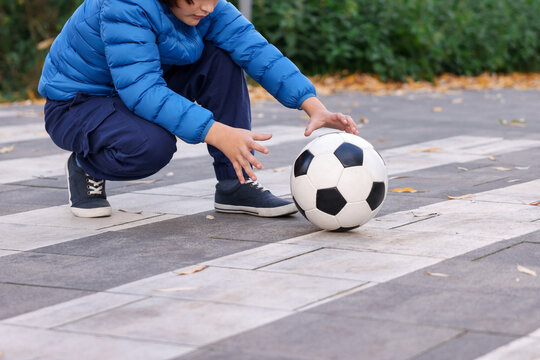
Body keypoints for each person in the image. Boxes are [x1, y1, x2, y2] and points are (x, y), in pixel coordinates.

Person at [38, 0, 359, 219]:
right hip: (78, 105)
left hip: (135, 90)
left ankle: (236, 185)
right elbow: (142, 90)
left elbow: (257, 51)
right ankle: (87, 163)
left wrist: (313, 106)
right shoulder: (125, 6)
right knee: (151, 147)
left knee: (222, 58)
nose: (207, 6)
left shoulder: (210, 8)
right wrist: (218, 133)